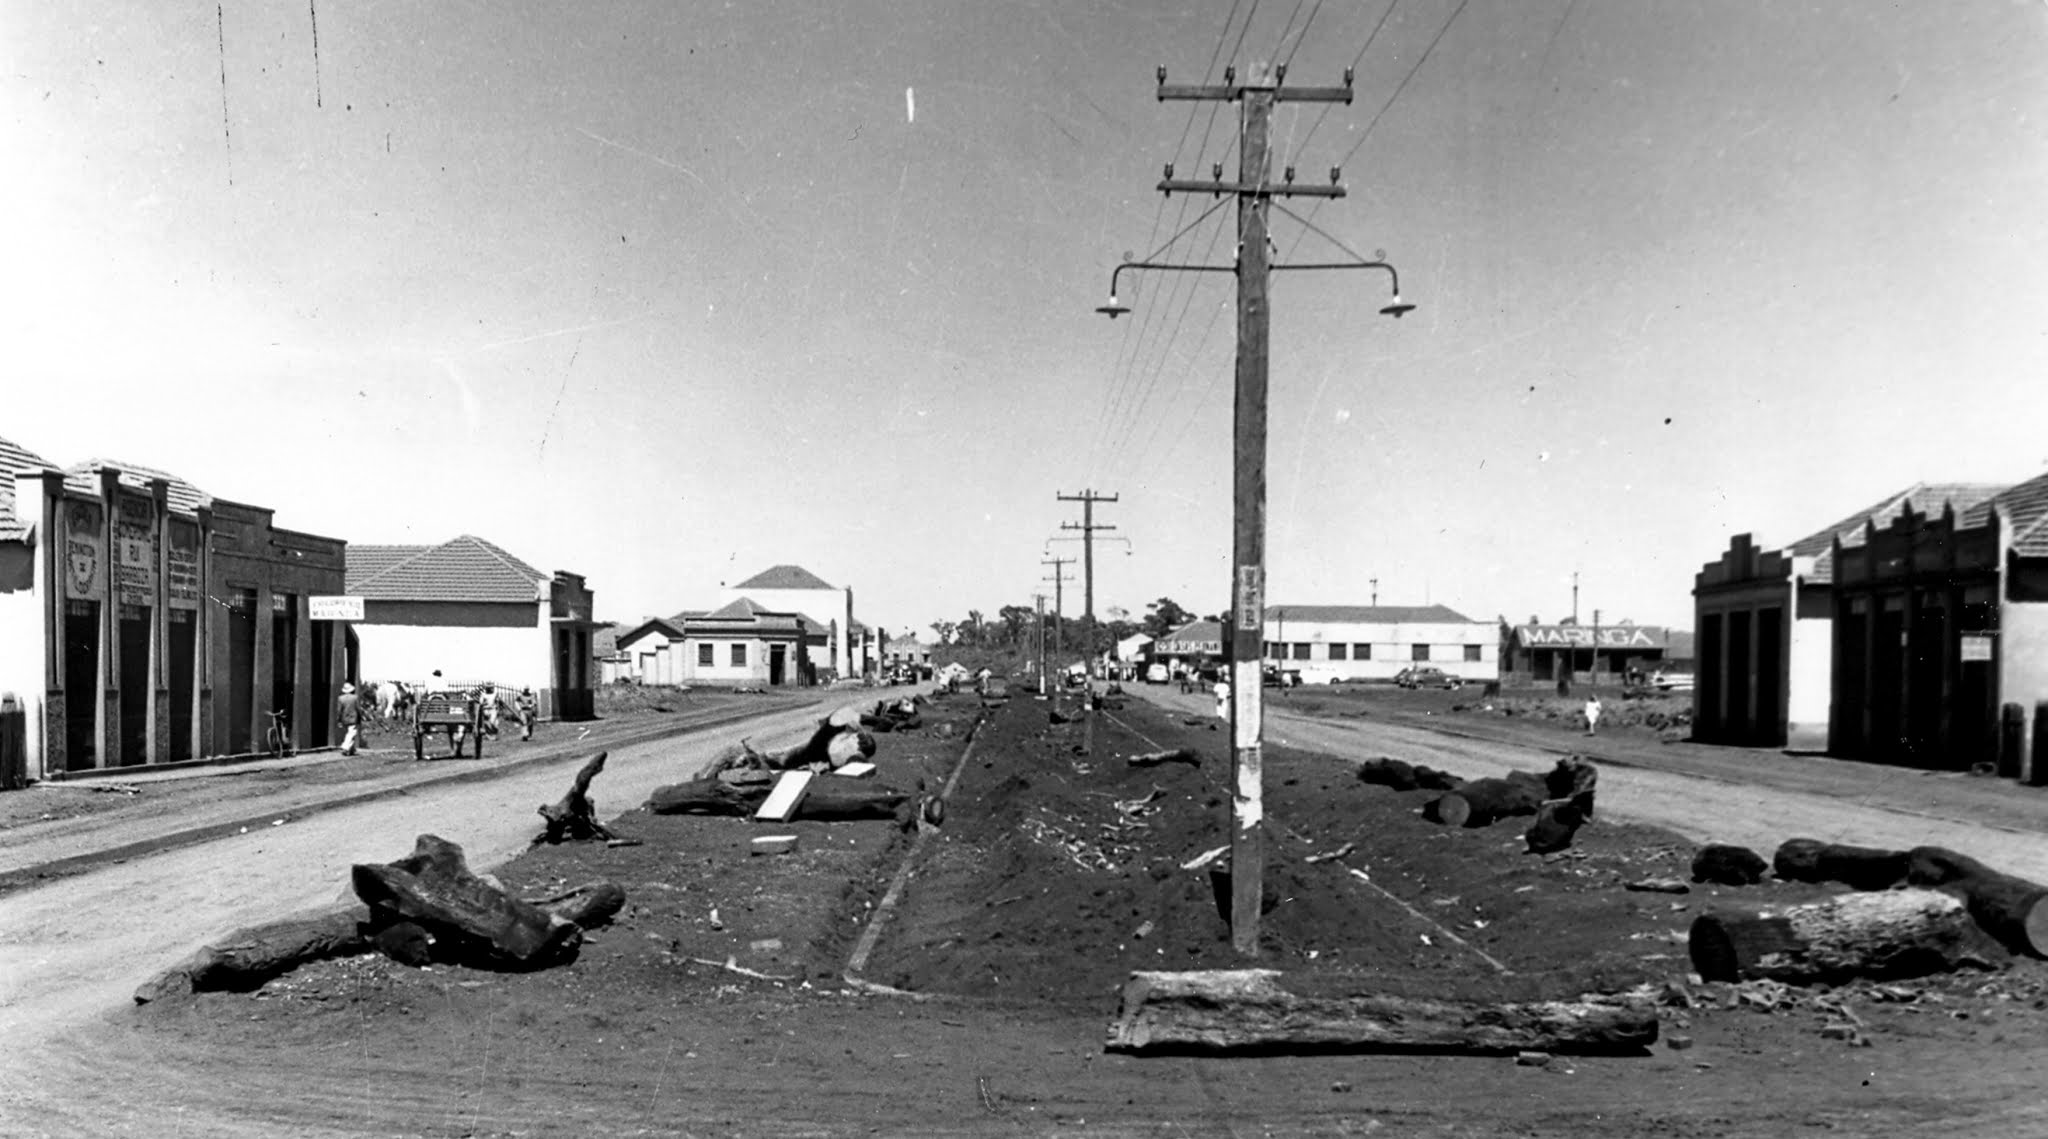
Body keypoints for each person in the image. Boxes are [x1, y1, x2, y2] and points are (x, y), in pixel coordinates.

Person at [336, 682, 363, 757]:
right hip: (353, 718)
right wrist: (360, 717)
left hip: (344, 718)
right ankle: (345, 747)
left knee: (349, 732)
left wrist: (339, 720)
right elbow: (358, 708)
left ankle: (351, 750)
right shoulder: (355, 697)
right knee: (351, 733)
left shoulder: (340, 698)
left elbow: (339, 710)